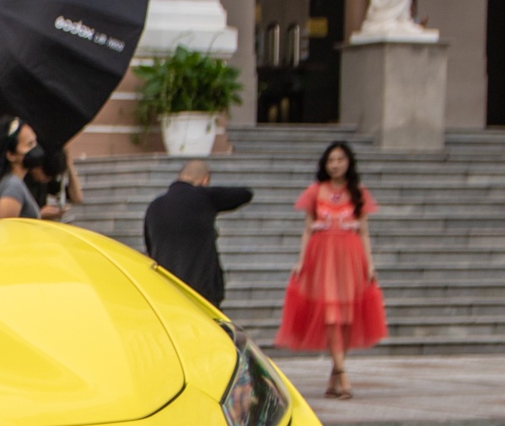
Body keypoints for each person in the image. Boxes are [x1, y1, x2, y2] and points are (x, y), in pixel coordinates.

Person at [275, 141, 387, 398]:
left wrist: (369, 264)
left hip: (350, 256)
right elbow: (307, 228)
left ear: (348, 162)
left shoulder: (358, 192)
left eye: (339, 159)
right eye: (331, 161)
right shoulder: (315, 191)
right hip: (321, 255)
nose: (335, 165)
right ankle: (342, 374)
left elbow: (364, 232)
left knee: (346, 318)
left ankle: (335, 371)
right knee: (330, 315)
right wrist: (301, 260)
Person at [142, 159, 253, 308]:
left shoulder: (154, 207)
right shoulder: (204, 198)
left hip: (166, 289)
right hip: (201, 290)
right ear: (205, 180)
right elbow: (245, 194)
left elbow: (150, 246)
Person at [24, 143, 84, 221]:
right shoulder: (20, 181)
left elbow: (77, 198)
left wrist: (68, 162)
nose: (46, 179)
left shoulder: (45, 182)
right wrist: (40, 214)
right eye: (46, 175)